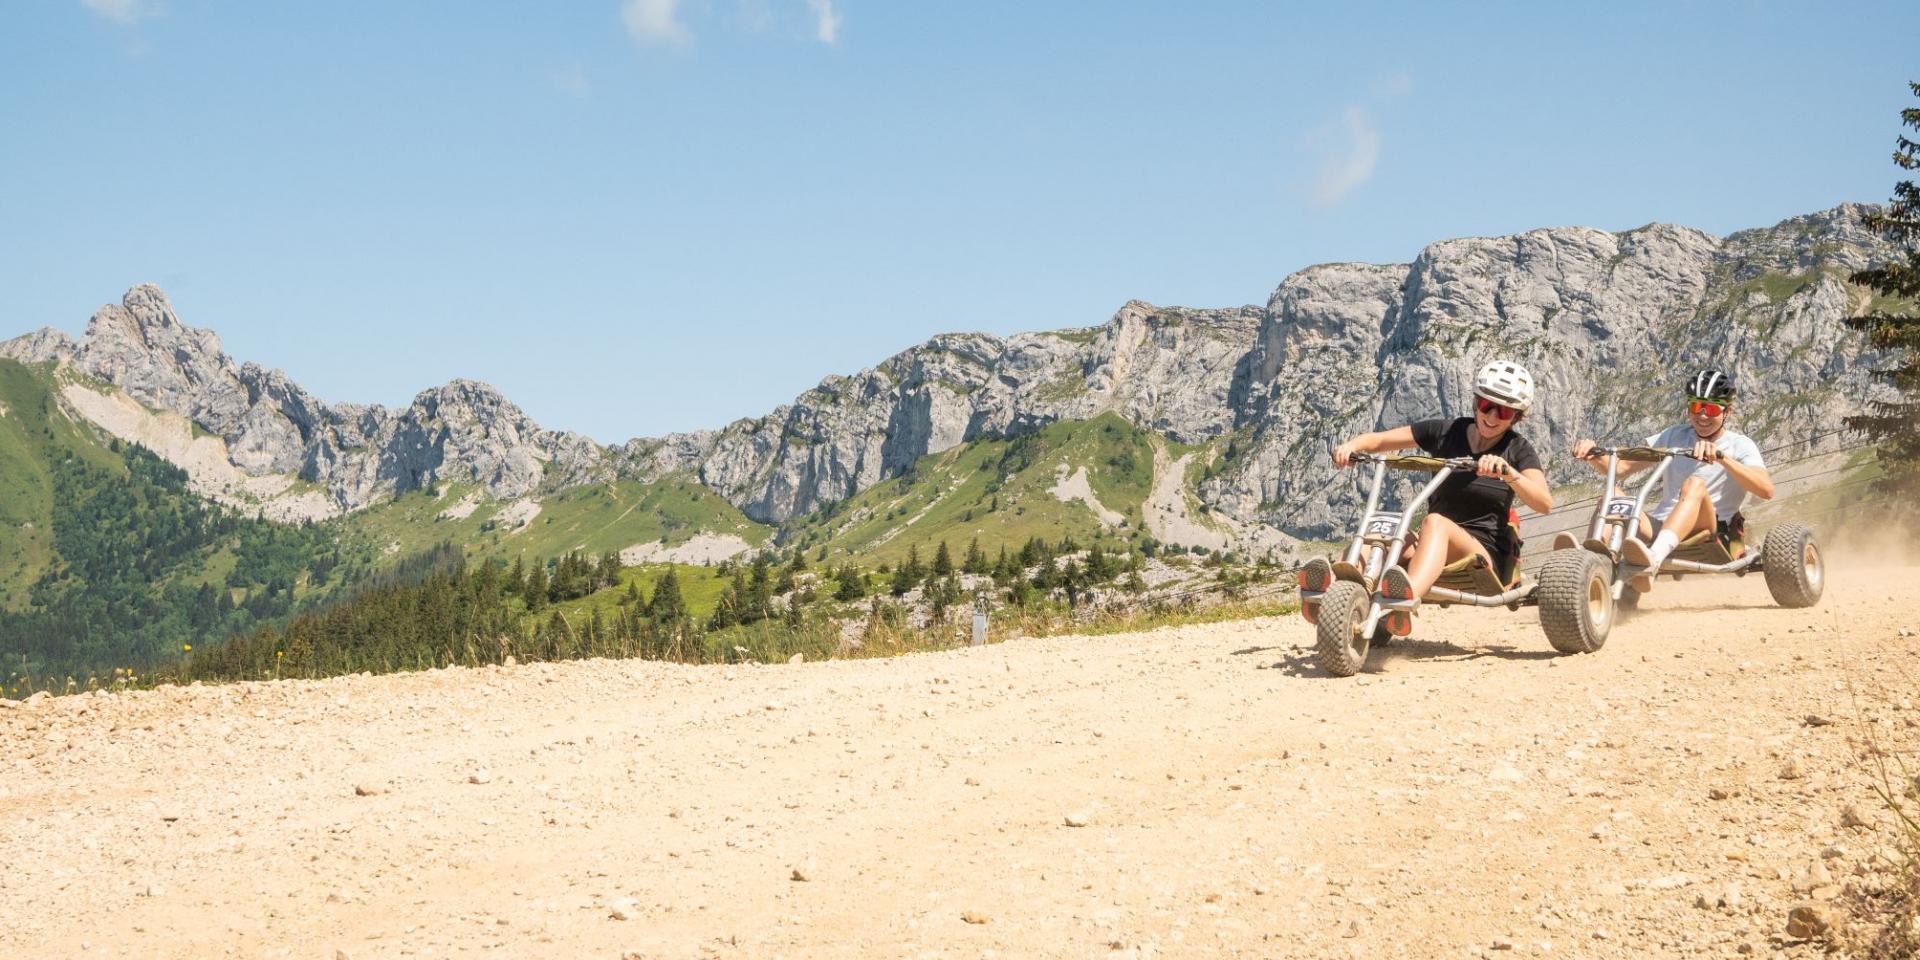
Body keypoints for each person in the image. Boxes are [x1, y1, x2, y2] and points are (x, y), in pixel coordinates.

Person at [1304, 360, 1554, 636]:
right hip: (1430, 548)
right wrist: (1352, 446)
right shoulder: (1448, 432)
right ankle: (1337, 590)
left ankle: (1403, 601)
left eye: (1505, 411)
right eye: (1486, 406)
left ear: (1516, 417)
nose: (1493, 417)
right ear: (1477, 401)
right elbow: (1380, 441)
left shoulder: (1517, 450)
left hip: (1479, 555)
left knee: (1435, 522)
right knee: (1382, 534)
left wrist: (1509, 474)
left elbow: (1544, 503)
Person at [1571, 368, 1775, 593]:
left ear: (1727, 412)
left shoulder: (1740, 444)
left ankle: (1654, 559)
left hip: (1710, 527)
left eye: (1711, 408)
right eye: (1696, 407)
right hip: (1661, 525)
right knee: (1611, 498)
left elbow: (1766, 490)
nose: (1703, 416)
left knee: (1694, 484)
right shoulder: (1674, 435)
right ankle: (1590, 566)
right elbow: (1620, 468)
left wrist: (1722, 458)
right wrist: (1592, 455)